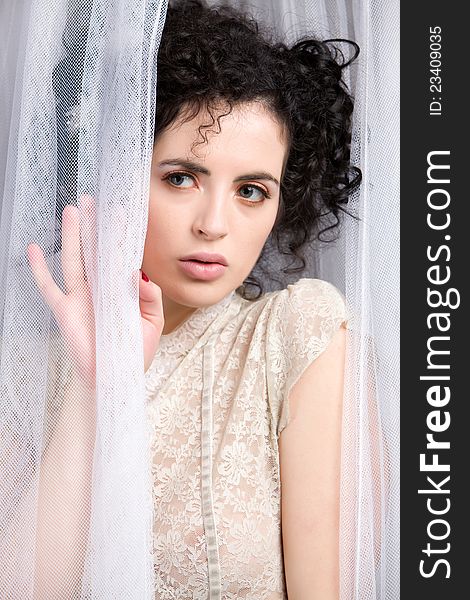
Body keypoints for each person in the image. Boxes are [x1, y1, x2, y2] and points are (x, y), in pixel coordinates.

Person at [25, 0, 361, 597]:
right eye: (181, 177)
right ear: (116, 172)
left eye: (252, 190)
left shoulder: (295, 333)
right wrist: (96, 385)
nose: (214, 224)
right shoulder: (32, 370)